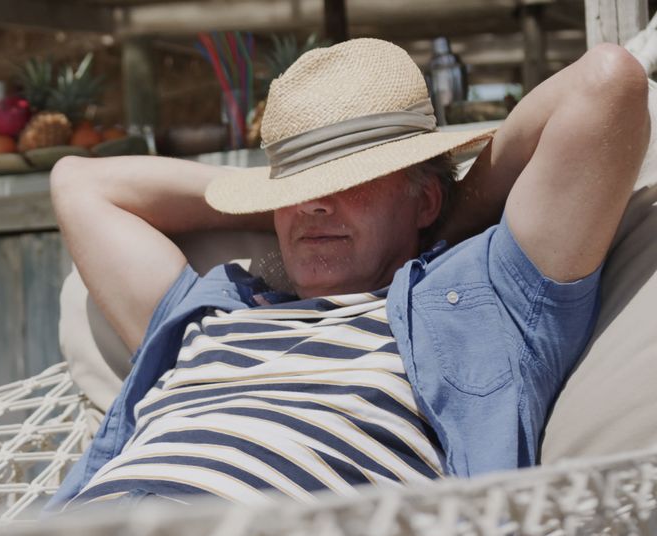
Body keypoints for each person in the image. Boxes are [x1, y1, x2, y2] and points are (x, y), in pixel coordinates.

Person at [44, 38, 650, 511]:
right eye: (300, 189)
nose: (314, 204)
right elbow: (79, 183)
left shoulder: (479, 299)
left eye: (348, 180)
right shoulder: (217, 307)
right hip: (92, 535)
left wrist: (443, 218)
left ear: (425, 200)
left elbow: (606, 84)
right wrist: (277, 203)